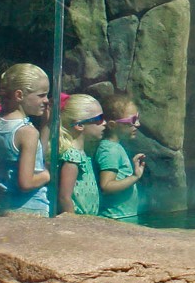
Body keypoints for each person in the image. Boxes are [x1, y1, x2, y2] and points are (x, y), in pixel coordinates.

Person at [0, 63, 51, 216]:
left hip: (5, 204)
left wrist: (45, 126)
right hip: (30, 208)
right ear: (19, 95)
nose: (46, 100)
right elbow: (26, 182)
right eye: (41, 95)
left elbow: (36, 159)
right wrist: (47, 174)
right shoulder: (27, 132)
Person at [96, 92, 145, 221]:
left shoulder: (115, 147)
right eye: (132, 121)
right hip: (115, 218)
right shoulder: (110, 150)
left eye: (137, 118)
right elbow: (106, 186)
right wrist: (135, 177)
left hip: (122, 217)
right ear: (112, 125)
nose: (138, 124)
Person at [56, 94, 102, 215]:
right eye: (99, 119)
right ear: (79, 125)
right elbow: (64, 197)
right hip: (77, 221)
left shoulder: (82, 154)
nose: (104, 123)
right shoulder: (73, 157)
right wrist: (74, 224)